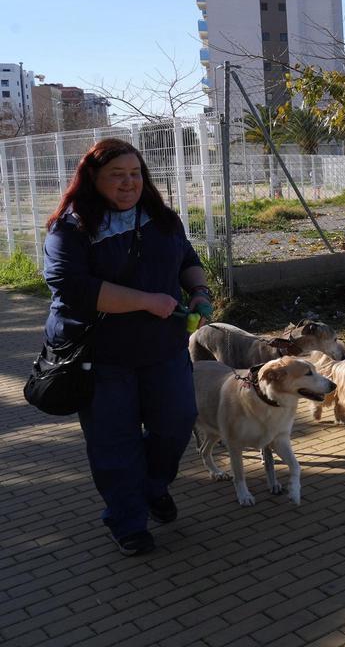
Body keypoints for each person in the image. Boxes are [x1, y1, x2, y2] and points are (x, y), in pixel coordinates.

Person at [42, 138, 211, 556]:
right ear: (93, 179)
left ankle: (153, 488)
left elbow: (186, 255)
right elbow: (72, 287)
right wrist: (145, 301)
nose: (128, 183)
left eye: (135, 174)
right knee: (114, 442)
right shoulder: (71, 227)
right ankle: (127, 519)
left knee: (176, 422)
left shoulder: (159, 216)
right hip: (101, 356)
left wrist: (200, 291)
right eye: (116, 175)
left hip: (163, 348)